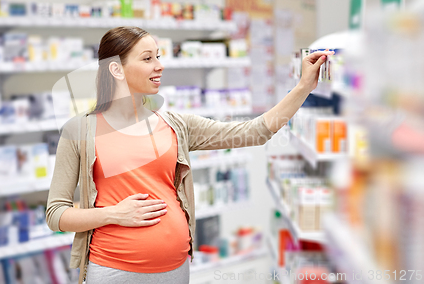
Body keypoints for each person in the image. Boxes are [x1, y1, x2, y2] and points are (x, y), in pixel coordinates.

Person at [46, 26, 333, 284]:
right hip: (114, 270)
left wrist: (304, 86)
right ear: (116, 70)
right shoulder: (80, 130)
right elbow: (56, 214)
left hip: (175, 268)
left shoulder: (176, 124)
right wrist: (114, 214)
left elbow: (256, 131)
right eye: (147, 59)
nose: (159, 66)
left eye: (159, 57)